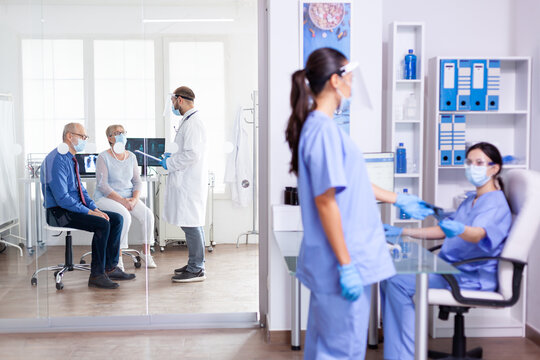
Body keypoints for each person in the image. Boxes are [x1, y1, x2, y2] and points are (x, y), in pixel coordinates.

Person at [284, 47, 433, 359]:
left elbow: (351, 181)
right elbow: (326, 202)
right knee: (340, 351)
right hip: (343, 261)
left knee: (327, 347)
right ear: (335, 81)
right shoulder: (323, 131)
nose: (353, 82)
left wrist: (399, 198)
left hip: (342, 258)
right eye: (349, 75)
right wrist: (347, 264)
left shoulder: (323, 128)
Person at [381, 142, 512, 360]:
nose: (472, 167)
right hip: (449, 269)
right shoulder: (472, 199)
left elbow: (478, 234)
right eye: (469, 162)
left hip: (467, 276)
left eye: (479, 163)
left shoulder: (496, 204)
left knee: (395, 280)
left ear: (494, 168)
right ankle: (403, 351)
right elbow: (443, 230)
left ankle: (405, 355)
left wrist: (461, 229)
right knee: (388, 276)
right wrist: (402, 231)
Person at [40, 122, 136, 289]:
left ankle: (110, 267)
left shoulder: (71, 158)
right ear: (69, 136)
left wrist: (95, 209)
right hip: (58, 213)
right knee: (102, 224)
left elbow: (81, 191)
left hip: (70, 207)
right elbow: (62, 198)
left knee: (116, 219)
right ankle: (97, 275)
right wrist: (90, 213)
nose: (84, 140)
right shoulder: (56, 160)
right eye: (82, 137)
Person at [94, 124, 157, 270]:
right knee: (124, 217)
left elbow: (137, 181)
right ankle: (118, 258)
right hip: (107, 198)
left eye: (123, 132)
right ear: (110, 138)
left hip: (128, 197)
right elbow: (103, 186)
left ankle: (146, 253)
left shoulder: (132, 156)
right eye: (117, 133)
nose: (121, 135)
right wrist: (122, 201)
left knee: (147, 215)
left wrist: (134, 199)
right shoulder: (103, 157)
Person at [162, 86, 208, 283]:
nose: (172, 106)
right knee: (190, 223)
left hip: (189, 182)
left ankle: (197, 268)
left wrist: (170, 163)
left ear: (179, 100)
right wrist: (171, 156)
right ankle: (193, 263)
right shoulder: (188, 121)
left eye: (173, 102)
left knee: (192, 225)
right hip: (185, 181)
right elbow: (186, 150)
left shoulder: (194, 123)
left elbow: (192, 154)